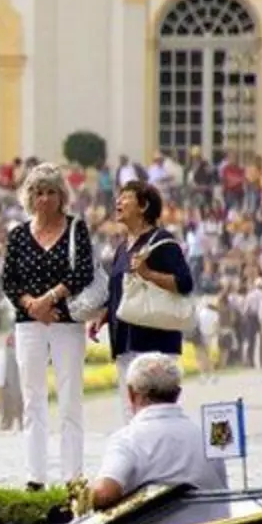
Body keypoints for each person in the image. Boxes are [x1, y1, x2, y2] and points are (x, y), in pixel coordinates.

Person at [0, 162, 94, 490]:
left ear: (61, 196)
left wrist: (49, 300)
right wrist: (31, 306)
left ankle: (72, 476)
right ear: (29, 196)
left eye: (51, 192)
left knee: (70, 398)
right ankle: (35, 476)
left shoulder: (75, 229)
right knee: (33, 399)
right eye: (38, 193)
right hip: (29, 323)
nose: (44, 199)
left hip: (65, 320)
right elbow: (9, 281)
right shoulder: (18, 235)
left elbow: (83, 272)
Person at [86, 180, 193, 421]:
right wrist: (104, 316)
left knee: (154, 412)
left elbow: (185, 283)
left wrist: (149, 274)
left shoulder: (161, 242)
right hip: (125, 340)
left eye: (125, 198)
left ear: (143, 206)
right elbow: (119, 290)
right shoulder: (123, 248)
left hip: (154, 341)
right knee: (130, 412)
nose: (118, 202)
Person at [89, 352, 227, 511]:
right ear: (178, 393)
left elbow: (103, 494)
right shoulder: (206, 435)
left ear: (131, 394)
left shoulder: (127, 440)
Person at [0, 332, 22, 430]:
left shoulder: (15, 351)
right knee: (6, 403)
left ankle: (21, 423)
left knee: (18, 402)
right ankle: (7, 422)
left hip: (16, 381)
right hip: (5, 382)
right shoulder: (2, 352)